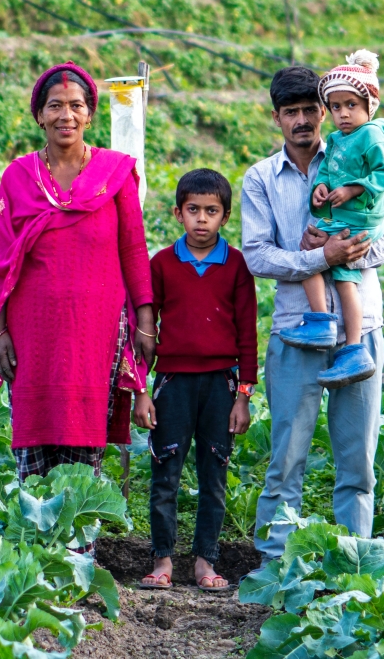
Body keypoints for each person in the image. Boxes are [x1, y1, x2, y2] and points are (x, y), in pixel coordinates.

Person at [241, 65, 384, 562]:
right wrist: (320, 258)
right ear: (276, 118)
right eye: (289, 113)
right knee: (286, 459)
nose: (302, 121)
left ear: (325, 111)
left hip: (362, 331)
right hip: (297, 331)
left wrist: (352, 250)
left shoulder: (357, 151)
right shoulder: (261, 179)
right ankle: (276, 562)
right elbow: (257, 255)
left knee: (358, 462)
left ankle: (354, 561)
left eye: (309, 110)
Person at [0, 62, 154, 480]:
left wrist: (145, 321)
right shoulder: (18, 177)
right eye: (55, 106)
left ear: (90, 113)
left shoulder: (114, 174)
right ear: (39, 115)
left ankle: (79, 540)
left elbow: (133, 250)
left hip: (95, 330)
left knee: (85, 430)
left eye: (76, 105)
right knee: (34, 432)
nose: (66, 115)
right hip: (31, 331)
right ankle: (36, 534)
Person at [133, 168, 257, 593]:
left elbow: (247, 333)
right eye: (193, 210)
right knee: (165, 472)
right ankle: (162, 560)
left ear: (225, 217)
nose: (201, 219)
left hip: (221, 386)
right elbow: (145, 332)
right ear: (177, 213)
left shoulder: (236, 264)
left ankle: (206, 561)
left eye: (211, 211)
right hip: (173, 384)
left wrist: (243, 394)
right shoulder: (163, 263)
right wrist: (142, 390)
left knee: (214, 475)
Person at [285, 50, 384, 389]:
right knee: (313, 254)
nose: (343, 114)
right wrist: (320, 188)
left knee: (332, 266)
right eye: (336, 107)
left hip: (361, 214)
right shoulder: (336, 140)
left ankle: (349, 343)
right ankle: (326, 326)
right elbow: (330, 173)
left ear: (369, 105)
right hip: (342, 211)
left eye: (351, 105)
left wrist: (352, 190)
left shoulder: (373, 135)